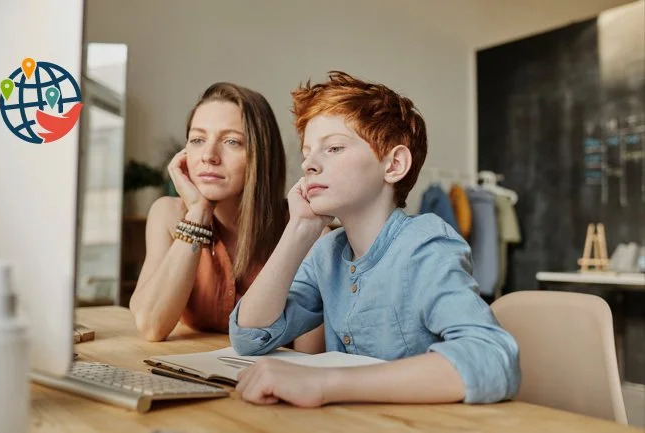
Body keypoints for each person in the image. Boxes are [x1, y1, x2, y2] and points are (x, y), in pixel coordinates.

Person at [229, 71, 520, 407]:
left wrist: (326, 384)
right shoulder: (327, 252)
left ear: (394, 165)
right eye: (307, 152)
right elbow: (249, 337)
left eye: (334, 147)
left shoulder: (424, 245)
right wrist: (299, 230)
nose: (309, 164)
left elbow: (493, 357)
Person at [129, 82, 324, 353]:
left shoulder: (305, 229)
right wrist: (197, 214)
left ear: (261, 154)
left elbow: (309, 356)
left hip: (269, 382)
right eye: (197, 140)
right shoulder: (168, 214)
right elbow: (151, 325)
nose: (208, 156)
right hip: (187, 369)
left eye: (232, 141)